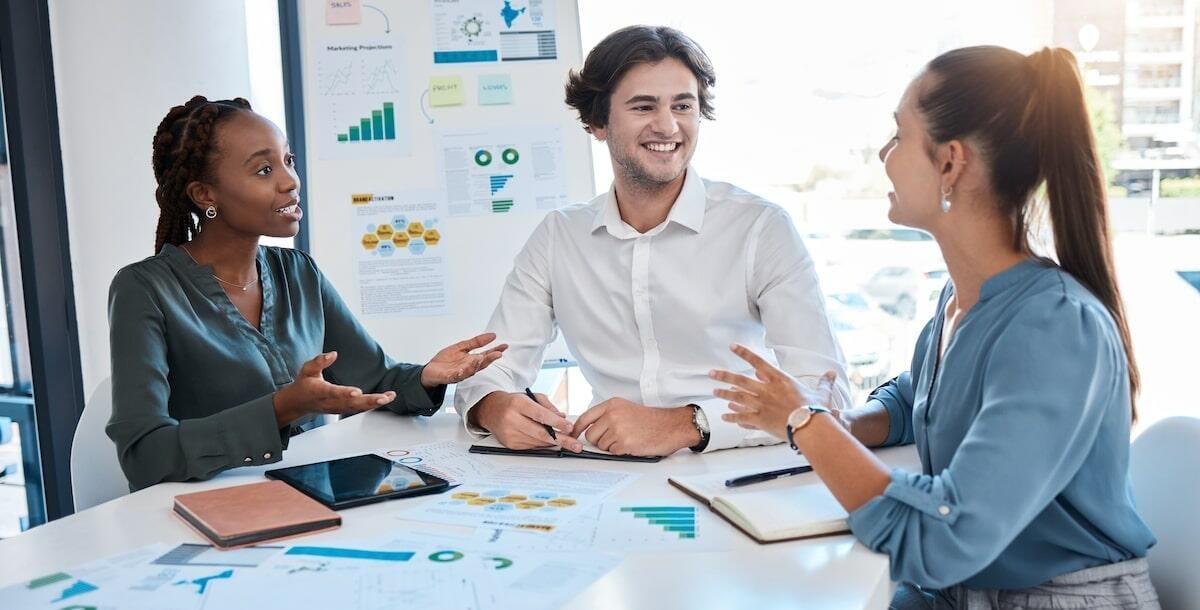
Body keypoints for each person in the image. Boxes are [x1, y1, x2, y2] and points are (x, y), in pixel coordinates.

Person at [711, 46, 1159, 608]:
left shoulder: (1056, 327)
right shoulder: (960, 301)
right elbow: (917, 401)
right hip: (965, 592)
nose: (883, 153)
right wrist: (847, 421)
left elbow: (946, 535)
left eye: (898, 136)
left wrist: (808, 422)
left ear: (950, 162)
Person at [454, 25, 850, 457]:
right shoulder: (558, 237)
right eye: (644, 107)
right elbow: (488, 370)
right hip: (604, 476)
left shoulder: (761, 228)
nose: (668, 125)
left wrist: (689, 423)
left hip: (737, 475)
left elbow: (825, 395)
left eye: (683, 105)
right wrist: (493, 408)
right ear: (598, 123)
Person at [108, 96, 506, 491]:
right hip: (202, 509)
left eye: (288, 161)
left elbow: (374, 378)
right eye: (264, 170)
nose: (289, 181)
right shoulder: (144, 289)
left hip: (311, 492)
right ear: (205, 195)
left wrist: (427, 376)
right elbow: (145, 456)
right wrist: (285, 408)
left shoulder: (298, 273)